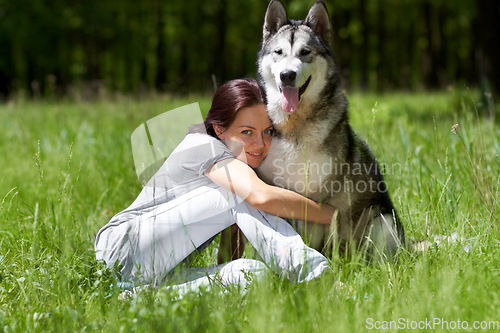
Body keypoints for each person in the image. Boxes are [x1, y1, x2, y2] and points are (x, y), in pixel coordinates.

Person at [94, 78, 337, 290]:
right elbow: (260, 198)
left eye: (267, 132)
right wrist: (337, 216)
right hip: (122, 247)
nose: (260, 144)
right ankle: (317, 277)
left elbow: (232, 241)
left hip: (151, 276)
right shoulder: (202, 144)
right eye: (246, 132)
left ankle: (130, 296)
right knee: (245, 192)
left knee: (250, 274)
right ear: (219, 129)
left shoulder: (234, 167)